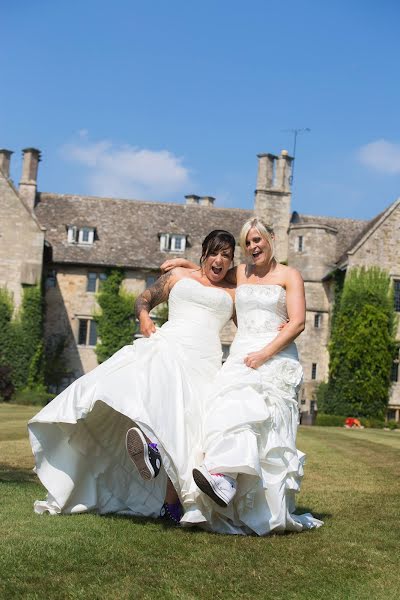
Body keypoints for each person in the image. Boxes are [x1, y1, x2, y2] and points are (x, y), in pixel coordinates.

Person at [28, 230, 236, 524]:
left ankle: (172, 505)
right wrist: (144, 317)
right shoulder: (177, 276)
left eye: (226, 255)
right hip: (170, 345)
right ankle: (151, 447)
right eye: (214, 253)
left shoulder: (233, 291)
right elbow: (145, 298)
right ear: (203, 254)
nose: (219, 260)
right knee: (147, 390)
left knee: (190, 429)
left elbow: (251, 299)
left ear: (231, 260)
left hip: (206, 360)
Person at [161, 217, 323, 534]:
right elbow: (211, 271)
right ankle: (220, 481)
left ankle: (244, 493)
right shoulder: (240, 274)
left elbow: (298, 323)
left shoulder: (290, 275)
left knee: (255, 419)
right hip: (241, 355)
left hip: (274, 357)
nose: (253, 246)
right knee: (220, 411)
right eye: (248, 243)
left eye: (257, 240)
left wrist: (265, 353)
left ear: (271, 239)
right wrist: (183, 262)